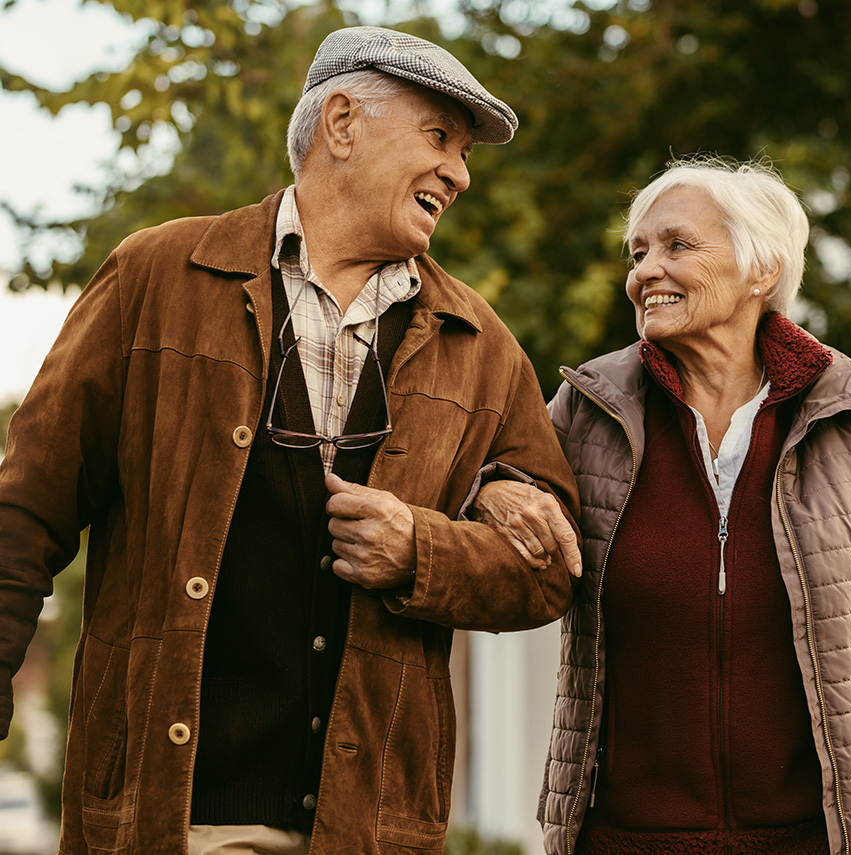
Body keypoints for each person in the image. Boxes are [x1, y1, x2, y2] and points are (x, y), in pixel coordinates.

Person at [0, 26, 581, 855]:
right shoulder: (155, 277)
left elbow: (551, 569)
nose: (459, 172)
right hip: (172, 823)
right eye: (439, 137)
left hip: (366, 833)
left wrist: (424, 551)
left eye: (463, 153)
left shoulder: (480, 345)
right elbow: (24, 513)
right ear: (341, 123)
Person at [473, 157, 851, 855]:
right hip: (631, 836)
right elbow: (497, 496)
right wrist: (490, 488)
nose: (644, 271)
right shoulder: (590, 406)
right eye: (638, 252)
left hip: (828, 836)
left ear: (762, 271)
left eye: (677, 245)